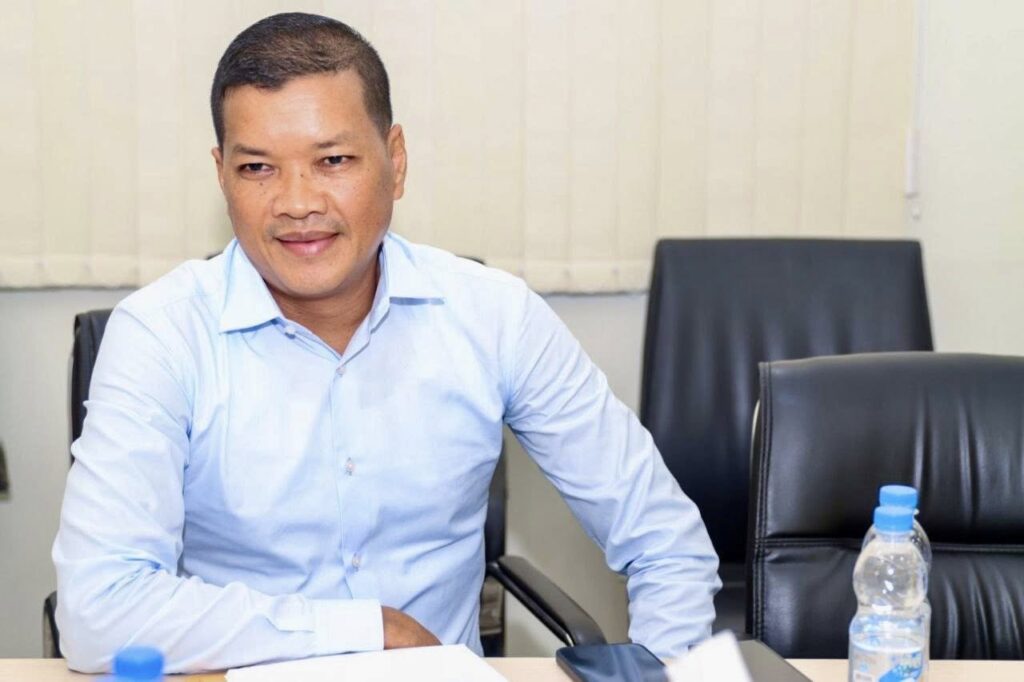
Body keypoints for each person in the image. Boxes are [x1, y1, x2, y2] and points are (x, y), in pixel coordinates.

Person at [52, 12, 720, 673]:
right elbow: (96, 609)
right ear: (221, 173)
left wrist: (664, 670)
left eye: (333, 160)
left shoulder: (494, 316)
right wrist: (369, 630)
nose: (297, 202)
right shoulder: (160, 335)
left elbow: (665, 539)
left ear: (395, 163)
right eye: (257, 168)